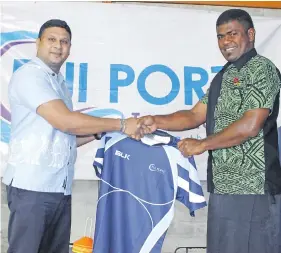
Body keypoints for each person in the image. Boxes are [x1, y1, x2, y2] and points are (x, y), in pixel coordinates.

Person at [138, 9, 281, 253]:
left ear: (251, 34)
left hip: (253, 188)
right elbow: (194, 115)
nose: (226, 41)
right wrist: (156, 120)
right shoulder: (223, 76)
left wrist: (202, 144)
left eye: (232, 34)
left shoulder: (262, 69)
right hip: (223, 188)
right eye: (220, 36)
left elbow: (250, 125)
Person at [2, 19, 142, 253]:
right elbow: (65, 121)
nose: (58, 46)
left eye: (64, 42)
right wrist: (121, 124)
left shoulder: (58, 83)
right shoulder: (30, 76)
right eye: (52, 40)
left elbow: (65, 136)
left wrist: (100, 132)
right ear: (38, 43)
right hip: (32, 188)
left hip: (59, 188)